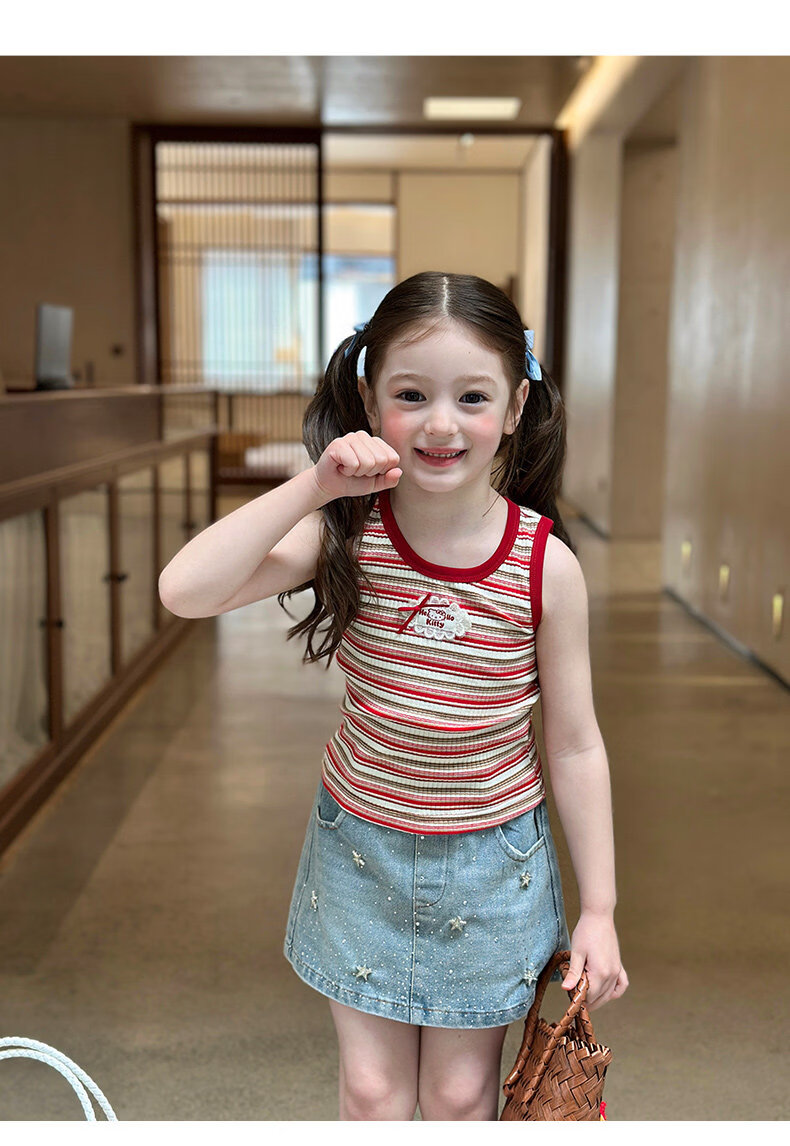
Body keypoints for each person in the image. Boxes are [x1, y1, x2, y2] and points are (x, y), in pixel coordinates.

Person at [158, 271, 628, 1121]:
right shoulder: (347, 533)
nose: (441, 424)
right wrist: (317, 485)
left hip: (493, 867)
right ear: (371, 403)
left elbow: (575, 743)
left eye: (472, 397)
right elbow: (184, 590)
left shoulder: (545, 567)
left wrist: (600, 908)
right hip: (360, 849)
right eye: (411, 395)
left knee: (458, 1095)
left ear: (515, 408)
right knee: (373, 1093)